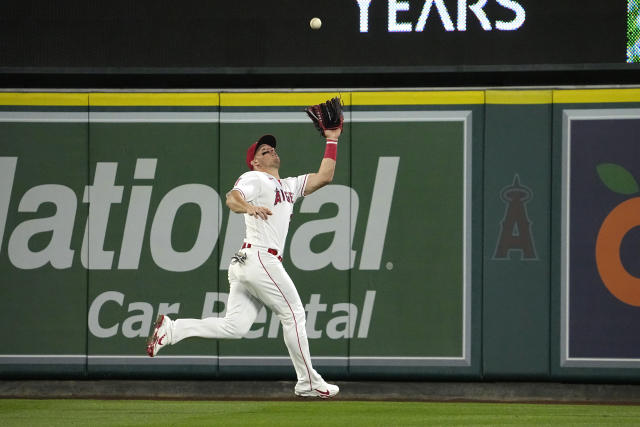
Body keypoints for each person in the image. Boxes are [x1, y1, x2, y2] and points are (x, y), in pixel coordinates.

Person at [146, 129, 342, 398]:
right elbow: (232, 197)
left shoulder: (288, 185)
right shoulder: (255, 178)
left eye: (272, 148)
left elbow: (325, 176)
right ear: (255, 162)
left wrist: (332, 139)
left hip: (248, 262)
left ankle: (173, 328)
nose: (271, 151)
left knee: (234, 327)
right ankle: (308, 381)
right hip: (260, 257)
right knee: (294, 313)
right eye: (263, 151)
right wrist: (249, 207)